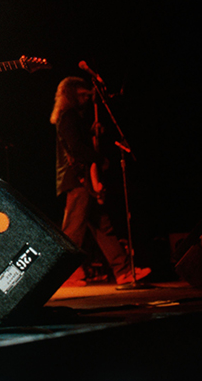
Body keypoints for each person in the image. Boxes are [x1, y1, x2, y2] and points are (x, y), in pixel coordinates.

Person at [50, 76, 150, 286]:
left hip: (83, 179)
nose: (86, 100)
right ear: (73, 95)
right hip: (77, 179)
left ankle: (123, 271)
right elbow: (76, 148)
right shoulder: (68, 116)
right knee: (73, 229)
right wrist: (99, 158)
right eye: (83, 96)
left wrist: (91, 134)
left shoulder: (71, 117)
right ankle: (65, 274)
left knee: (103, 227)